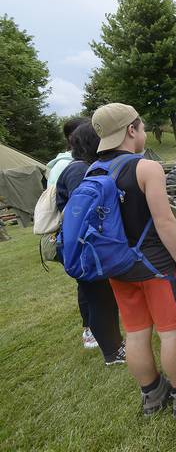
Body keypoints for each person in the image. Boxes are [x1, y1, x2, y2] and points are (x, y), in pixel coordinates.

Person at [91, 103, 176, 416]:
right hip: (155, 267)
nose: (144, 132)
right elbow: (164, 222)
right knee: (170, 330)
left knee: (136, 332)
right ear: (131, 130)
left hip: (118, 267)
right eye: (142, 126)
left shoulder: (93, 170)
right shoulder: (145, 167)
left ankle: (152, 396)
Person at [55, 123, 126, 365]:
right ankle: (112, 352)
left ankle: (114, 347)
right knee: (99, 300)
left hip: (84, 245)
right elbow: (86, 212)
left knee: (101, 298)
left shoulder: (83, 168)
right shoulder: (79, 171)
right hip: (82, 247)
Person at [45, 116, 99, 349]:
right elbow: (80, 209)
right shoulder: (76, 169)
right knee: (88, 286)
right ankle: (91, 331)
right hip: (78, 240)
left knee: (92, 286)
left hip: (78, 238)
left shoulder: (78, 166)